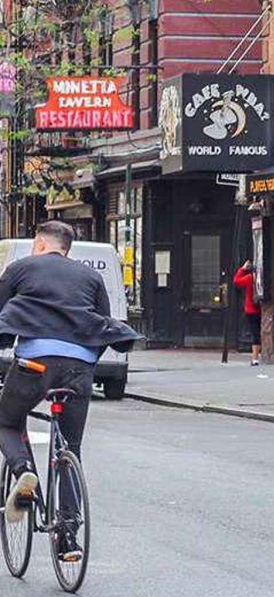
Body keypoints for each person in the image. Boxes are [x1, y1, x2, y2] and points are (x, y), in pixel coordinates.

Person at [0, 221, 139, 560]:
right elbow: (103, 322)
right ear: (67, 248)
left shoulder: (19, 268)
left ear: (39, 244)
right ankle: (68, 540)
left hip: (34, 365)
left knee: (6, 421)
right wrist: (85, 366)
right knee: (70, 447)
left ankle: (23, 472)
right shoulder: (91, 276)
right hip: (79, 369)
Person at [232, 260, 262, 366]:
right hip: (261, 308)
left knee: (255, 333)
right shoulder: (262, 278)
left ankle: (255, 358)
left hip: (251, 309)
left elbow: (236, 281)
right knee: (260, 332)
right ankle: (259, 355)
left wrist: (243, 269)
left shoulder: (250, 278)